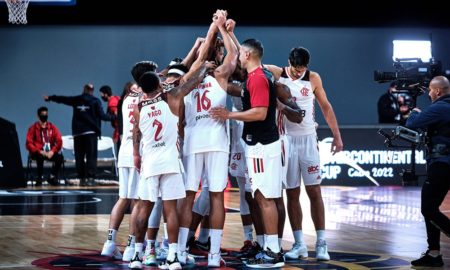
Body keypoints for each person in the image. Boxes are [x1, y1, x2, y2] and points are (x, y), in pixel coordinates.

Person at [210, 38, 285, 268]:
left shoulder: (259, 78)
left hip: (263, 144)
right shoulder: (255, 74)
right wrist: (227, 31)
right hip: (258, 144)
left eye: (240, 52)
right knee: (260, 196)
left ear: (248, 56)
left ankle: (273, 251)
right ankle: (267, 247)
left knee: (265, 198)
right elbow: (244, 47)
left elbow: (261, 113)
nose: (238, 55)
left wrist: (229, 115)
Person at [128, 63, 211, 270]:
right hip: (170, 161)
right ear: (159, 84)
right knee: (170, 209)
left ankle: (138, 255)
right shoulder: (172, 97)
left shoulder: (139, 107)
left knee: (143, 208)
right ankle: (173, 256)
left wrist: (136, 154)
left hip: (150, 161)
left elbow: (136, 133)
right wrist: (205, 67)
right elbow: (193, 82)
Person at [265, 46, 343, 261]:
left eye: (302, 69)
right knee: (291, 193)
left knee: (315, 191)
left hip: (308, 139)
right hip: (287, 141)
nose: (298, 72)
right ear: (288, 62)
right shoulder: (277, 73)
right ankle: (299, 243)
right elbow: (250, 60)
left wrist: (337, 136)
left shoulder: (314, 77)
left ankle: (321, 242)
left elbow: (326, 107)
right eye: (295, 68)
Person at [405, 75, 450, 268]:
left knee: (428, 208)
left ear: (438, 91)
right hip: (444, 165)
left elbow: (412, 124)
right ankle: (433, 254)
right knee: (431, 208)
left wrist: (414, 112)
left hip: (442, 165)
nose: (429, 93)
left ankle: (434, 252)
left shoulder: (440, 107)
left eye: (431, 90)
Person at [44, 84, 113, 186]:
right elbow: (102, 116)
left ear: (84, 90)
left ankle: (81, 178)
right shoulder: (96, 101)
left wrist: (50, 98)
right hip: (91, 133)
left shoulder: (77, 99)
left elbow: (63, 99)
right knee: (91, 157)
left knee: (79, 157)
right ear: (92, 91)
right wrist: (115, 117)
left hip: (78, 133)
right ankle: (90, 179)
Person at [26, 106, 63, 186]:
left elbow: (59, 141)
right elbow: (29, 143)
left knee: (59, 158)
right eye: (43, 115)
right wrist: (39, 151)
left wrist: (52, 151)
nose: (44, 116)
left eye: (46, 114)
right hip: (38, 152)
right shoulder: (33, 128)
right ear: (38, 116)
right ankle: (39, 177)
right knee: (40, 157)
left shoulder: (52, 127)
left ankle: (52, 177)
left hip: (49, 152)